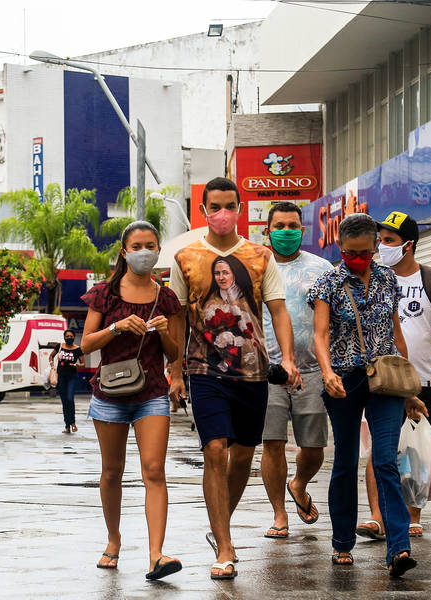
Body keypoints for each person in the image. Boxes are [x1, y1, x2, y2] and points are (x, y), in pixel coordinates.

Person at [169, 177, 301, 580]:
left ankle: (219, 522)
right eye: (214, 206)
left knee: (243, 454)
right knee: (215, 450)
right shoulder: (186, 257)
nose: (222, 213)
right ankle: (225, 545)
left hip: (253, 371)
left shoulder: (260, 256)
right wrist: (174, 371)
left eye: (229, 205)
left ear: (241, 208)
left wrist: (289, 358)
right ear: (204, 210)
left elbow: (278, 310)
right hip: (203, 369)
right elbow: (176, 317)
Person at [308, 212, 426, 578]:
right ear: (340, 248)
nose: (358, 258)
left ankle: (399, 548)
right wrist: (327, 372)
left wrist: (410, 388)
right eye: (350, 252)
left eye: (365, 252)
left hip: (386, 381)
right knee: (345, 460)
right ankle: (342, 542)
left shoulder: (388, 280)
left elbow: (396, 334)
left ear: (376, 246)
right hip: (343, 380)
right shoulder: (327, 283)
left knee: (386, 461)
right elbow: (321, 334)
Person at [80, 220, 184, 581]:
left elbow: (175, 354)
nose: (145, 252)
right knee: (112, 472)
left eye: (151, 245)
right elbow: (86, 344)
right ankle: (113, 540)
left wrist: (165, 333)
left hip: (152, 391)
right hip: (109, 392)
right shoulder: (104, 293)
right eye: (137, 246)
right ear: (124, 252)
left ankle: (157, 555)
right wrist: (117, 327)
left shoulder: (166, 297)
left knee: (154, 470)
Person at [358, 211, 431, 540]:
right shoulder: (372, 279)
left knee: (414, 450)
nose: (381, 246)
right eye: (380, 240)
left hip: (423, 380)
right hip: (381, 380)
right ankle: (377, 516)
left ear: (409, 245)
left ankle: (412, 514)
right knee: (379, 449)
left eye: (389, 241)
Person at [259, 202, 332, 539]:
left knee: (314, 446)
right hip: (267, 371)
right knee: (271, 443)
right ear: (267, 230)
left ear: (303, 230)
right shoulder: (255, 266)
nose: (286, 231)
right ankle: (278, 514)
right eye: (279, 225)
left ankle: (299, 483)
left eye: (292, 225)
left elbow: (334, 320)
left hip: (313, 370)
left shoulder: (322, 269)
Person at [49, 329, 85, 434]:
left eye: (71, 336)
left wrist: (77, 365)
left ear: (74, 337)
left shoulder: (77, 349)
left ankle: (73, 423)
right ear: (64, 337)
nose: (69, 338)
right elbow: (51, 356)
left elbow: (83, 363)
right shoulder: (59, 346)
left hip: (72, 377)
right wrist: (52, 365)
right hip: (61, 377)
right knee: (64, 401)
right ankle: (67, 426)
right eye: (67, 336)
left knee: (70, 399)